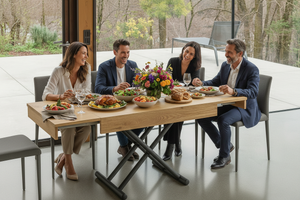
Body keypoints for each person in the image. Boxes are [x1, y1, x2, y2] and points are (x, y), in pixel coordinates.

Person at [194, 38, 261, 169]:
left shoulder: (252, 69)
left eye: (229, 52)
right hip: (228, 104)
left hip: (244, 107)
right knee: (201, 116)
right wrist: (202, 83)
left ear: (240, 54)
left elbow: (253, 92)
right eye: (226, 51)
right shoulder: (226, 65)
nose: (226, 55)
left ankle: (224, 156)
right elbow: (216, 81)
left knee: (223, 120)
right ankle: (225, 144)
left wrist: (234, 91)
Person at [42, 42, 91, 180]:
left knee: (87, 128)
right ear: (74, 54)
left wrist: (79, 97)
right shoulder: (59, 71)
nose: (86, 56)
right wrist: (61, 97)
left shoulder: (86, 68)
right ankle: (68, 163)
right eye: (83, 53)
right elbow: (45, 94)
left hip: (79, 109)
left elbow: (88, 92)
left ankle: (62, 157)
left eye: (86, 53)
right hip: (61, 111)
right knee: (68, 129)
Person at [95, 39, 143, 161]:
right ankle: (124, 147)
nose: (126, 55)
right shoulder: (104, 67)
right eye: (123, 52)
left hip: (131, 103)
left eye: (128, 52)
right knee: (120, 117)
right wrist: (115, 88)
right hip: (113, 104)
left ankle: (127, 146)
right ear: (115, 52)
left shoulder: (133, 65)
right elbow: (98, 88)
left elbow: (138, 86)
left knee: (145, 118)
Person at [162, 41, 202, 161]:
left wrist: (197, 82)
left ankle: (170, 147)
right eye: (186, 51)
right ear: (183, 50)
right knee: (173, 113)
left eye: (191, 54)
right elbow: (166, 79)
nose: (187, 55)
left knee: (177, 113)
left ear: (194, 56)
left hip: (185, 97)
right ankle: (177, 143)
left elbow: (194, 84)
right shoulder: (173, 61)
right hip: (171, 95)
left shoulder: (195, 66)